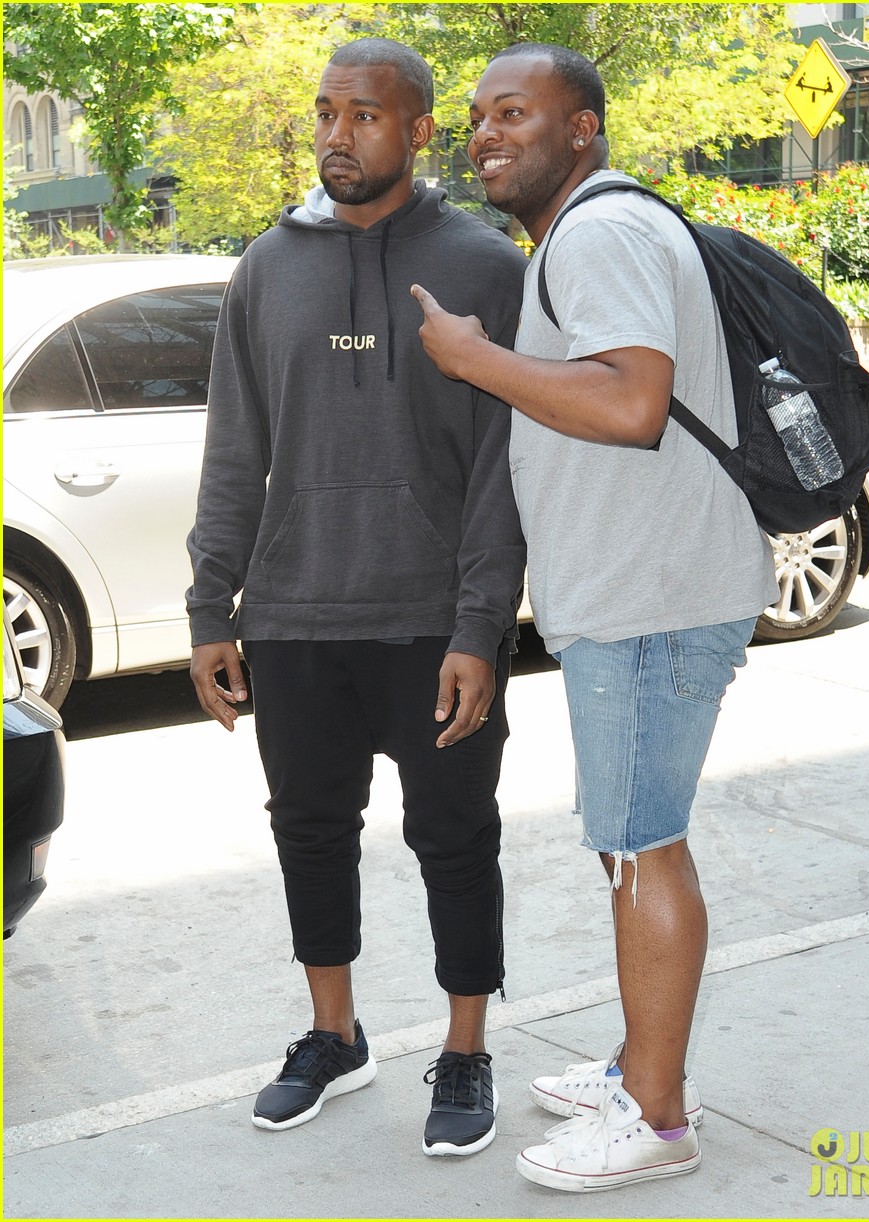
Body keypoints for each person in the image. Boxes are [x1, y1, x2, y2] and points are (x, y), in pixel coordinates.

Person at [411, 43, 778, 1192]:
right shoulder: (595, 230)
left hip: (651, 600)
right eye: (476, 117)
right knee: (635, 835)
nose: (485, 134)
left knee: (637, 844)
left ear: (583, 127)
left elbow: (630, 402)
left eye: (514, 111)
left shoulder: (601, 233)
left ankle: (656, 1117)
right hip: (642, 592)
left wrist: (473, 359)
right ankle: (639, 1063)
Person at [186, 37, 527, 1159]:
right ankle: (334, 1034)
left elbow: (502, 471)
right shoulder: (263, 268)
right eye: (326, 113)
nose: (337, 134)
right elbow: (235, 452)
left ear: (419, 129)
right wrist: (209, 609)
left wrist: (481, 624)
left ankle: (466, 1047)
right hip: (293, 616)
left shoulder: (484, 266)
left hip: (433, 618)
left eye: (365, 116)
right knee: (310, 834)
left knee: (453, 836)